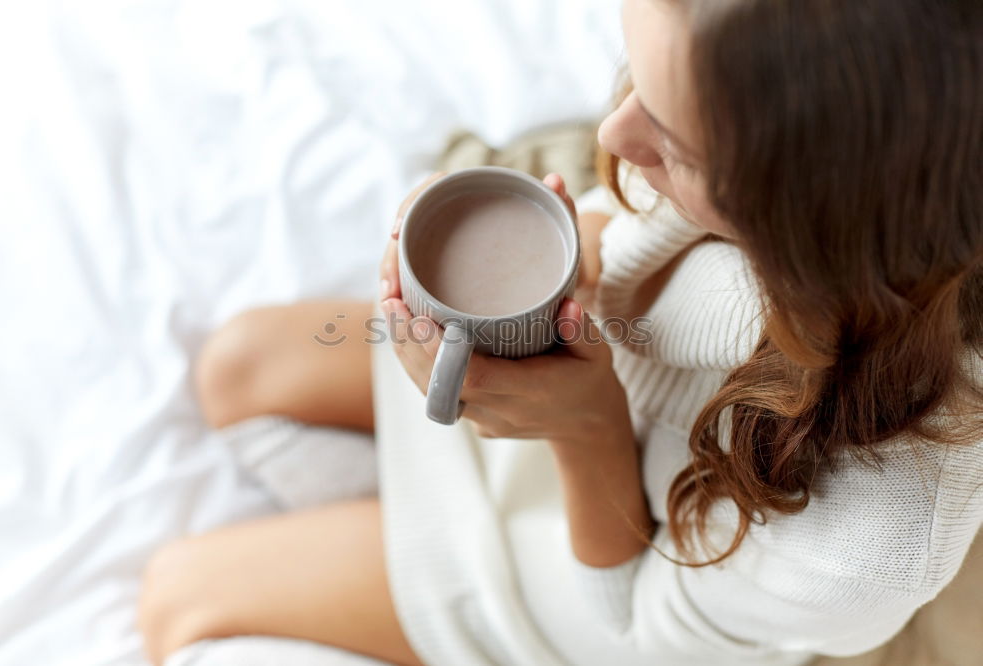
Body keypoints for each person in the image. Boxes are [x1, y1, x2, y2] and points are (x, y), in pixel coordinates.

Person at [137, 0, 983, 665]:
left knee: (177, 600)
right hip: (570, 393)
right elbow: (626, 228)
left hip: (606, 576)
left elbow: (638, 633)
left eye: (677, 150)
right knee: (235, 369)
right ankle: (390, 517)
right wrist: (545, 255)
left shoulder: (872, 542)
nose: (613, 140)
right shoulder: (752, 123)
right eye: (636, 81)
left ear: (819, 222)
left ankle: (415, 552)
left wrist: (585, 429)